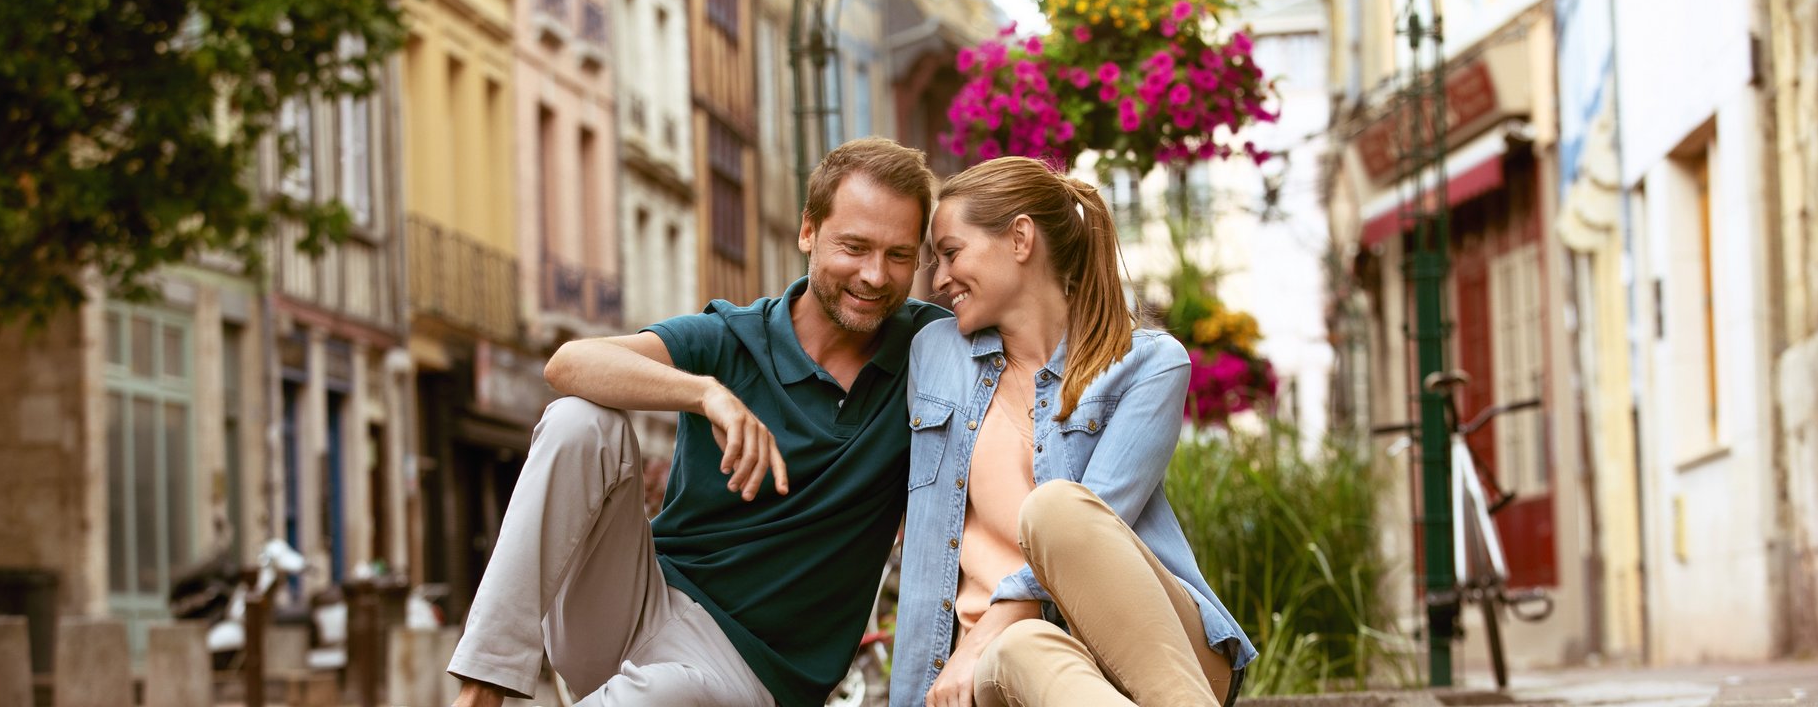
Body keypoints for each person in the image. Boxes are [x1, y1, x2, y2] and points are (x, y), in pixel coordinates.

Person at [448, 137, 951, 707]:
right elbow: (569, 363)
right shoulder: (734, 338)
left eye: (900, 255)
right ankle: (483, 687)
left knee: (661, 695)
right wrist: (704, 393)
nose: (875, 275)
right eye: (854, 247)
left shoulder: (930, 354)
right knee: (579, 420)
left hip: (748, 670)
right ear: (808, 231)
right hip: (641, 600)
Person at [892, 156, 1257, 707]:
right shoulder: (932, 352)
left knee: (1057, 510)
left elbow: (1086, 531)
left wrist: (987, 630)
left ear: (1020, 239)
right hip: (998, 675)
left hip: (1159, 658)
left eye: (950, 253)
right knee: (1022, 647)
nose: (938, 279)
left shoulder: (1148, 365)